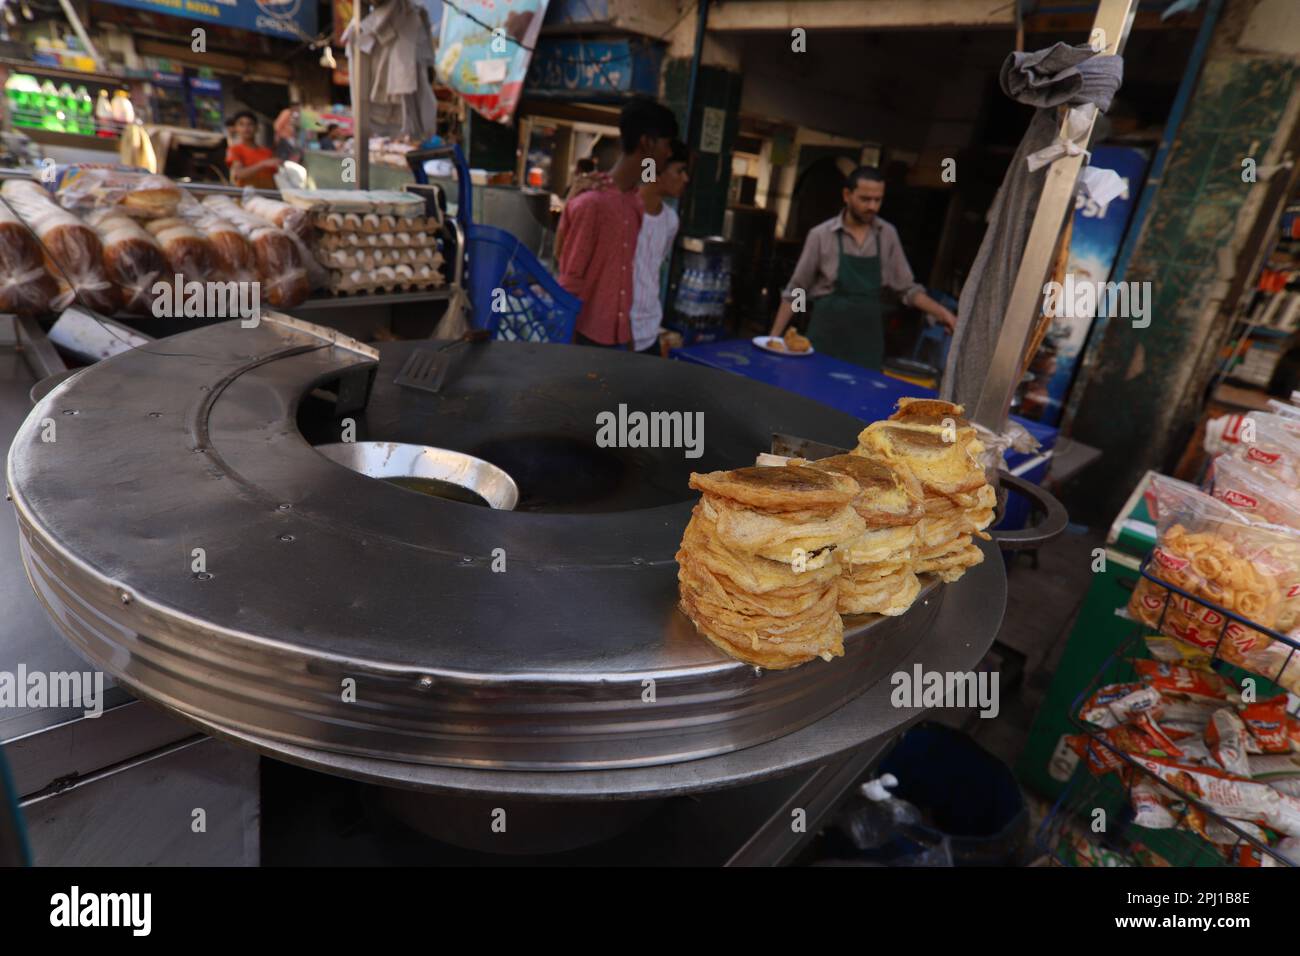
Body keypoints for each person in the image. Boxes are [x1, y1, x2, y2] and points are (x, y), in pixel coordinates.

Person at [769, 165, 956, 370]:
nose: (873, 207)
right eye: (865, 199)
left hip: (866, 344)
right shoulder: (821, 235)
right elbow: (797, 291)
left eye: (878, 200)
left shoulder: (887, 234)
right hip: (825, 339)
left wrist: (943, 313)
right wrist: (773, 341)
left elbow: (907, 289)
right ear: (847, 195)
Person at [556, 98, 678, 348]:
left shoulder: (633, 203)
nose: (669, 153)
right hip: (583, 341)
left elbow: (625, 276)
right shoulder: (592, 203)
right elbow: (570, 277)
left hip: (619, 340)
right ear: (647, 142)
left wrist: (628, 336)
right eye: (667, 145)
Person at [630, 139, 690, 356]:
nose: (685, 178)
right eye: (679, 170)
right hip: (617, 334)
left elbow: (653, 268)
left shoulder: (671, 220)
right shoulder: (623, 212)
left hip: (649, 332)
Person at [226, 110, 280, 190]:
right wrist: (263, 164)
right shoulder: (235, 150)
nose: (246, 128)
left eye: (250, 124)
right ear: (236, 128)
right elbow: (239, 173)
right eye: (241, 124)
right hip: (247, 199)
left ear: (257, 128)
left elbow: (276, 178)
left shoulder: (267, 152)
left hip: (269, 197)